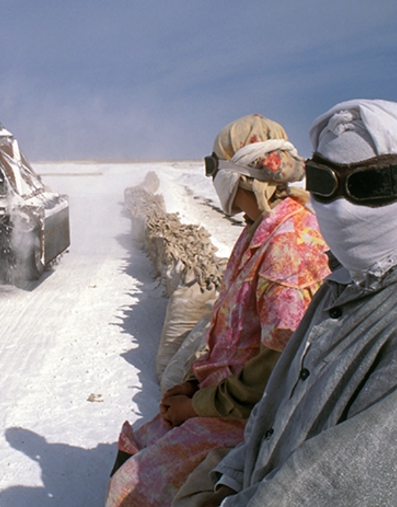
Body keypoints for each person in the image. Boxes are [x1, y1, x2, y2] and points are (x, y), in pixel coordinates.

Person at [204, 99, 397, 506]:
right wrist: (232, 479)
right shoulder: (345, 285)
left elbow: (337, 490)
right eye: (324, 182)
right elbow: (281, 407)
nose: (341, 208)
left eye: (372, 185)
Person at [106, 114, 332, 507]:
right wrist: (193, 384)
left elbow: (276, 370)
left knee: (132, 486)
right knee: (137, 442)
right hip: (222, 398)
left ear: (240, 173)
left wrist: (195, 406)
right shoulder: (256, 229)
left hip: (249, 417)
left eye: (215, 165)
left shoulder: (288, 245)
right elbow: (232, 338)